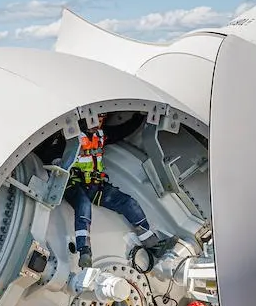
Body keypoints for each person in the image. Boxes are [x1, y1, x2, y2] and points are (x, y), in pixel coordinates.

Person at [64, 114, 175, 268]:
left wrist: (139, 117)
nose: (98, 122)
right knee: (83, 207)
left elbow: (123, 130)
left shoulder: (102, 135)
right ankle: (84, 251)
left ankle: (152, 243)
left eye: (101, 119)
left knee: (128, 203)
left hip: (96, 186)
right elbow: (49, 153)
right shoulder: (70, 138)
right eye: (96, 119)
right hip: (74, 186)